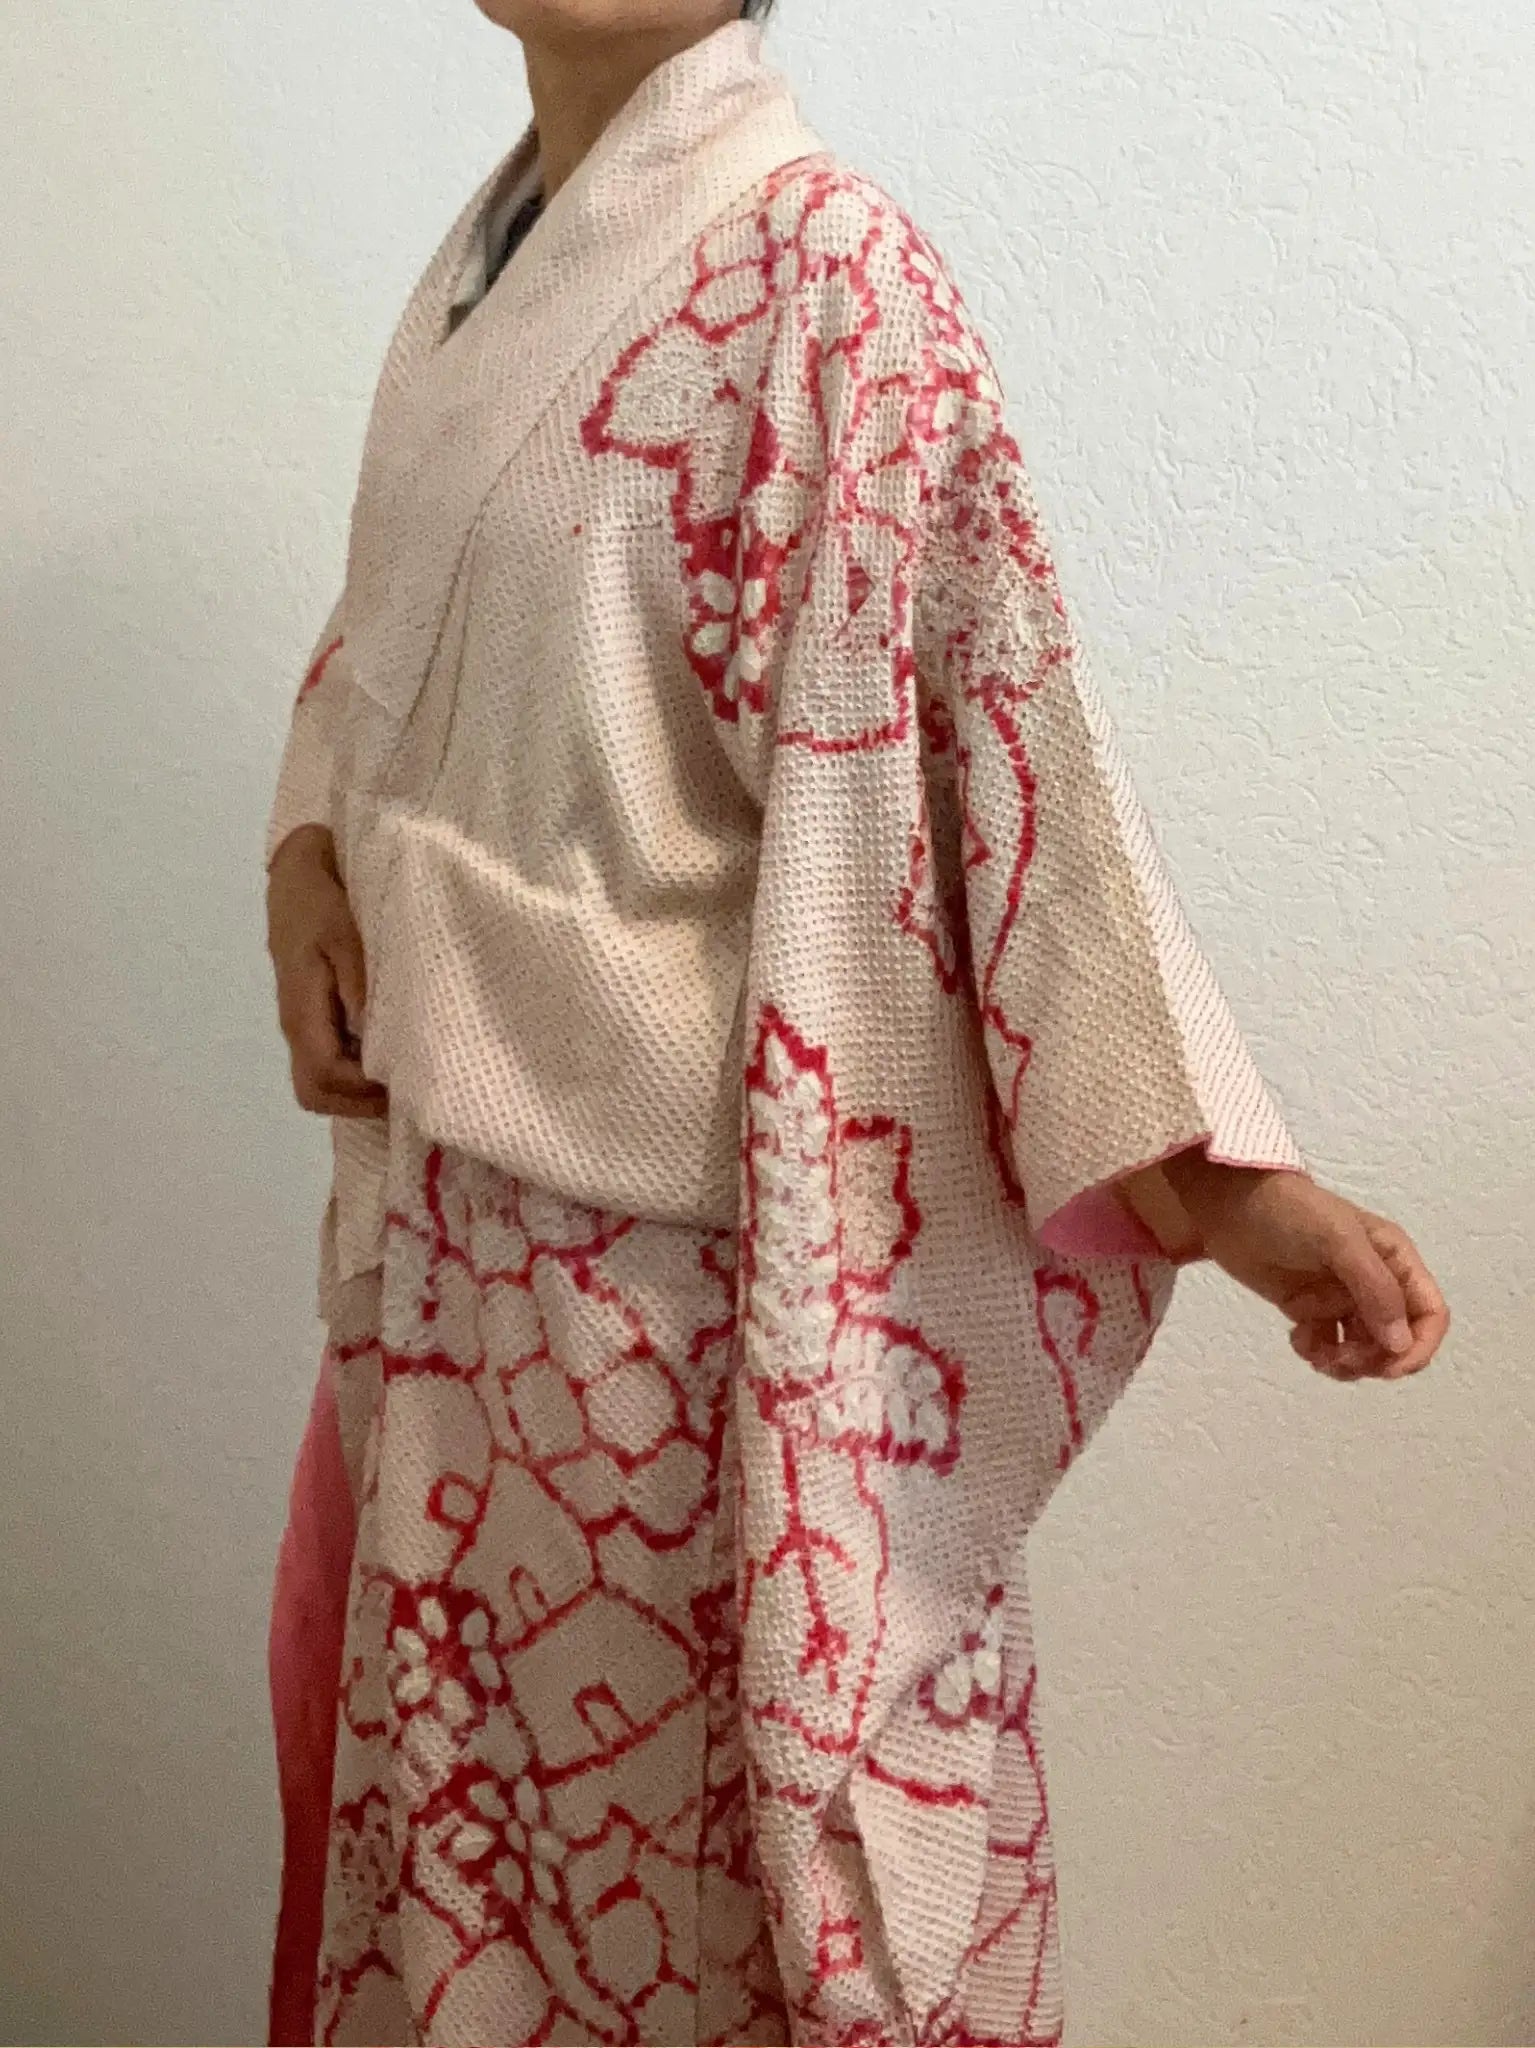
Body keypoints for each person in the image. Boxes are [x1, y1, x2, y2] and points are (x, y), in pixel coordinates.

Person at [262, 2, 1449, 2042]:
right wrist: (309, 845)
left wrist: (1213, 1179)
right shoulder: (486, 274)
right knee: (465, 1929)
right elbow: (396, 653)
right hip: (452, 1299)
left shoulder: (836, 275)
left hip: (665, 1345)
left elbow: (994, 743)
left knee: (688, 1940)